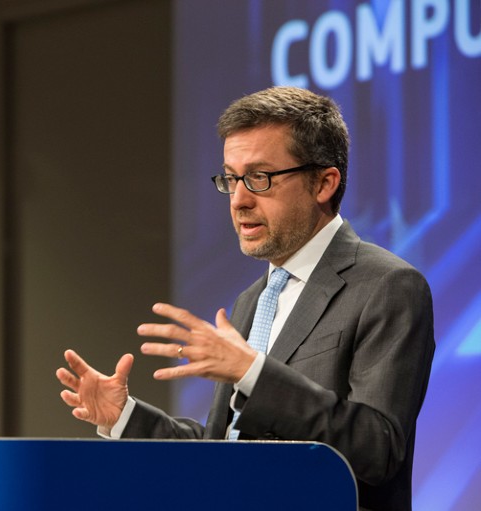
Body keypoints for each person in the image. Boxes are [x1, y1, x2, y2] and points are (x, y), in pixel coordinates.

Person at [56, 86, 434, 511]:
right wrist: (124, 416)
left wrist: (253, 372)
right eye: (231, 178)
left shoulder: (388, 285)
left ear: (324, 183)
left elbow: (377, 448)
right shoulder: (252, 300)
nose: (238, 200)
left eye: (260, 178)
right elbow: (224, 449)